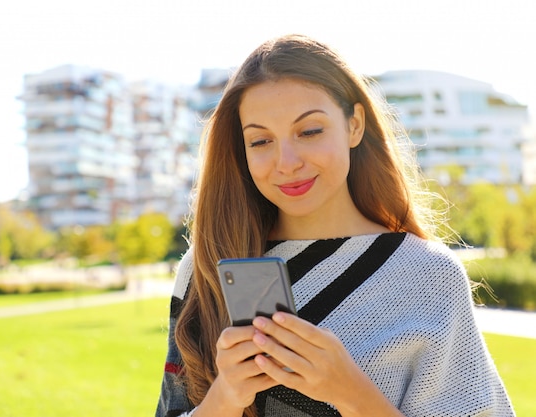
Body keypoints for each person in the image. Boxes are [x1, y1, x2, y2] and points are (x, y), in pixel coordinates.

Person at [155, 34, 515, 417]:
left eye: (309, 131)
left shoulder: (428, 276)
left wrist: (349, 390)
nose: (287, 161)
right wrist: (224, 399)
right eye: (260, 141)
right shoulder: (206, 269)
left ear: (354, 125)